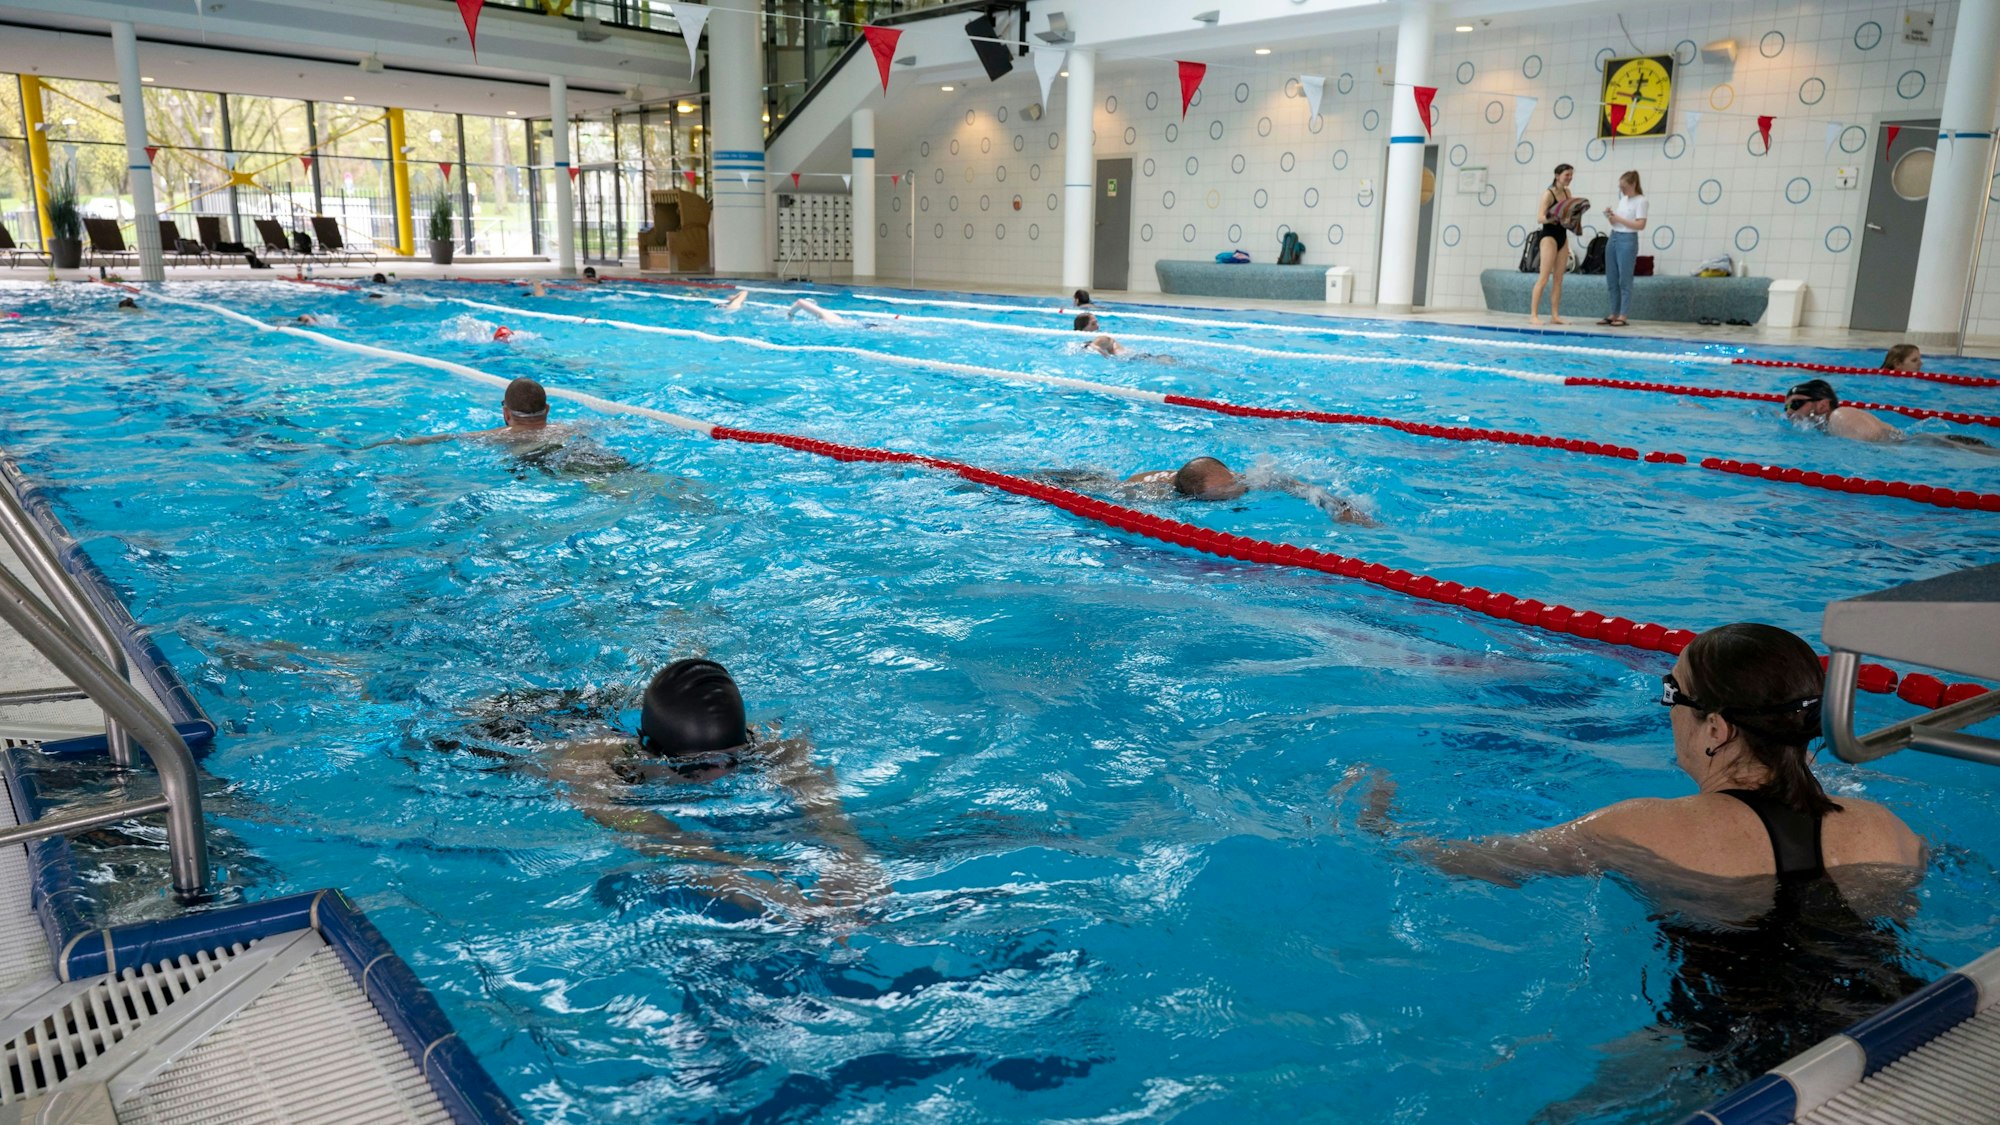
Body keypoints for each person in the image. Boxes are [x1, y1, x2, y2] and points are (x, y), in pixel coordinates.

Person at [1360, 622, 1927, 1084]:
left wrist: (1375, 822)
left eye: (1671, 694)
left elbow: (1479, 863)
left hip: (1740, 1054)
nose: (1667, 710)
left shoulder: (1638, 827)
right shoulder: (1891, 831)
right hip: (1906, 1025)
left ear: (1718, 730)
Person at [547, 659, 881, 916]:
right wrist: (733, 877)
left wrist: (849, 854)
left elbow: (810, 782)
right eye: (694, 767)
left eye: (732, 760)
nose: (717, 776)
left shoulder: (757, 742)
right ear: (648, 750)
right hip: (522, 724)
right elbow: (641, 829)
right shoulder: (589, 767)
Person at [1123, 456, 1376, 525]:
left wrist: (1339, 507)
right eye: (1227, 492)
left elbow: (1289, 483)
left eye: (1233, 482)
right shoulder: (1152, 496)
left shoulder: (1235, 480)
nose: (1239, 491)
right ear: (1196, 499)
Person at [1785, 379, 1994, 452]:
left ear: (1822, 405)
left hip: (1929, 446)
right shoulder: (1830, 423)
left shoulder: (1840, 416)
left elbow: (1871, 446)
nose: (1790, 412)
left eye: (1796, 404)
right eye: (1786, 407)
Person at [397, 377, 570, 446]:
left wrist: (395, 442)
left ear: (506, 414)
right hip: (572, 452)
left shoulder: (495, 436)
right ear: (547, 410)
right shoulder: (570, 429)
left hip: (537, 461)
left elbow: (442, 438)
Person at [1529, 163, 1577, 326]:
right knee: (1544, 278)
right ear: (1557, 176)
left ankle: (1555, 315)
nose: (1570, 178)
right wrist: (1553, 219)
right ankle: (1533, 315)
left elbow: (1568, 213)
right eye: (1567, 175)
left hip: (1562, 236)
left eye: (1571, 175)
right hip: (1548, 236)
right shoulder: (1548, 194)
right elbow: (1540, 218)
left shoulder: (1567, 192)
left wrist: (1571, 221)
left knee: (1558, 278)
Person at [1600, 170, 1648, 327]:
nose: (1621, 190)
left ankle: (1623, 315)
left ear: (1633, 184)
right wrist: (1610, 217)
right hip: (1614, 237)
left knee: (1625, 280)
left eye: (1624, 186)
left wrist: (1619, 218)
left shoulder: (1641, 201)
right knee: (1612, 278)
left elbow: (1640, 225)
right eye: (1620, 187)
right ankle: (1614, 313)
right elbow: (1617, 224)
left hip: (1628, 240)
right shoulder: (1623, 200)